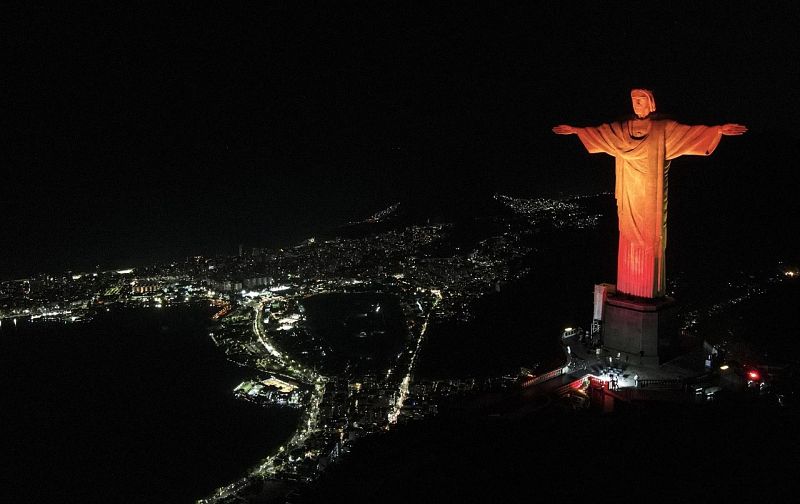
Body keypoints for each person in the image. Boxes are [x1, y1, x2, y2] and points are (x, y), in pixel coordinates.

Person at [553, 89, 746, 298]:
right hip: (629, 192)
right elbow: (599, 133)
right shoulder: (622, 129)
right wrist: (575, 130)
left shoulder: (663, 128)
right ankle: (629, 288)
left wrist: (717, 130)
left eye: (641, 100)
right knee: (627, 233)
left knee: (650, 237)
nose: (636, 104)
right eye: (634, 101)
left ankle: (648, 290)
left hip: (650, 197)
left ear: (651, 103)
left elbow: (691, 134)